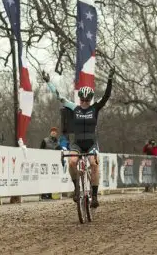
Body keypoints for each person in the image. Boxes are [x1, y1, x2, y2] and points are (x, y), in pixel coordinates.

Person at [44, 68, 114, 209]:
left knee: (94, 164)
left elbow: (106, 96)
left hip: (91, 143)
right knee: (72, 163)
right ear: (79, 99)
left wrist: (110, 79)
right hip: (77, 143)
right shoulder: (74, 108)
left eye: (86, 100)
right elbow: (59, 97)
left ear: (90, 100)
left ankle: (94, 196)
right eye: (82, 99)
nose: (84, 102)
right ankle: (76, 188)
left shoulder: (95, 108)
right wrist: (48, 82)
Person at [39, 127, 60, 200]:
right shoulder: (45, 140)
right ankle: (44, 195)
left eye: (55, 131)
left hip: (53, 164)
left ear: (56, 133)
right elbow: (40, 151)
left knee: (51, 180)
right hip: (44, 163)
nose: (53, 132)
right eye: (52, 131)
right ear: (50, 132)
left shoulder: (57, 142)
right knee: (44, 179)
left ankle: (50, 194)